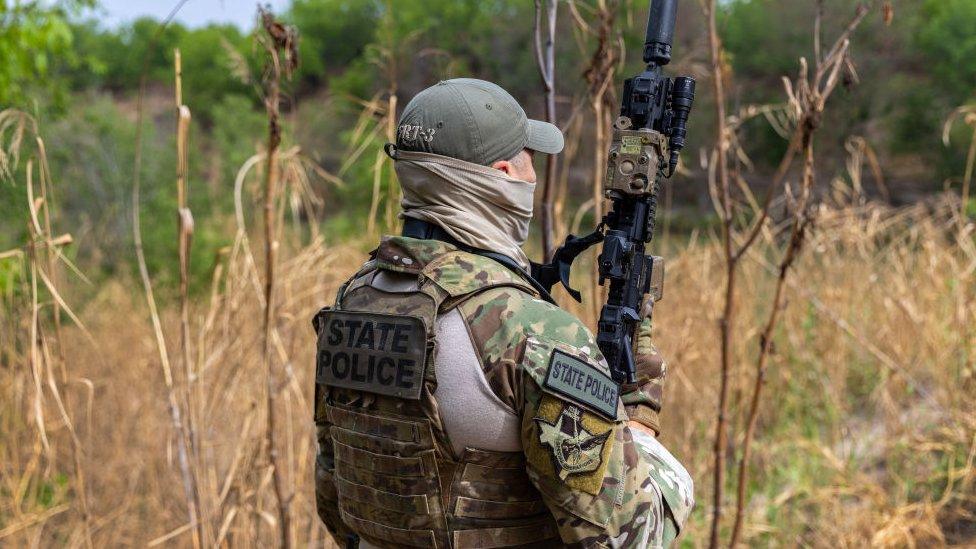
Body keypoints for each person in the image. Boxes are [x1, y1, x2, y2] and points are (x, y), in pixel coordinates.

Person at [313, 78, 693, 548]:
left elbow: (337, 500)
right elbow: (631, 539)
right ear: (501, 174)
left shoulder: (354, 302)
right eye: (527, 159)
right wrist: (639, 421)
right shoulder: (530, 332)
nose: (533, 175)